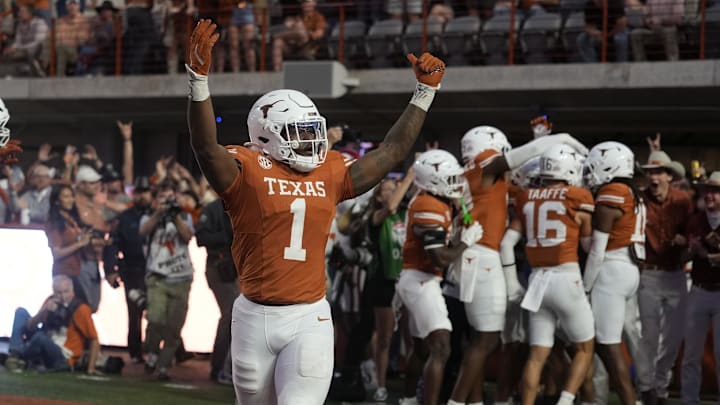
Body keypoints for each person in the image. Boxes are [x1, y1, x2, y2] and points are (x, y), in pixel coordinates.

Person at [185, 17, 445, 404]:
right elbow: (207, 148)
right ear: (266, 136)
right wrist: (198, 81)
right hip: (253, 315)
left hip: (308, 316)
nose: (310, 141)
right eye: (298, 132)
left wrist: (423, 92)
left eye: (312, 130)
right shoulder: (248, 170)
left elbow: (391, 152)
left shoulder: (331, 171)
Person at [501, 144, 595, 405]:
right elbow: (589, 246)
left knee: (536, 355)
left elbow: (506, 244)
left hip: (537, 281)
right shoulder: (579, 196)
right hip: (566, 276)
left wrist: (512, 284)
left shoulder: (526, 197)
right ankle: (565, 402)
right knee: (584, 349)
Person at [582, 141, 646, 405]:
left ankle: (626, 400)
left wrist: (584, 286)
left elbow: (597, 250)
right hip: (628, 270)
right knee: (618, 341)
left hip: (611, 269)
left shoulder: (613, 191)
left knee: (607, 346)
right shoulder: (632, 192)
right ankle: (644, 392)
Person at [636, 150, 692, 404]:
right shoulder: (639, 200)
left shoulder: (683, 201)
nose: (653, 177)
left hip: (675, 274)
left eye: (658, 172)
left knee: (673, 337)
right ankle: (649, 389)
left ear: (669, 176)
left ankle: (659, 384)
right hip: (648, 273)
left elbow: (694, 231)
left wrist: (686, 241)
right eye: (650, 172)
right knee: (648, 335)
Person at [139, 180, 195, 380]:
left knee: (174, 326)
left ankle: (163, 366)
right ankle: (152, 353)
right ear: (156, 200)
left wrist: (175, 216)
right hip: (157, 277)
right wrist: (159, 213)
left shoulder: (185, 217)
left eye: (170, 198)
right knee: (155, 319)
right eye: (163, 198)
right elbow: (143, 231)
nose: (166, 202)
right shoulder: (148, 216)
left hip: (182, 278)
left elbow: (188, 236)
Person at [6, 275, 101, 374]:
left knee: (40, 338)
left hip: (63, 353)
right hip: (45, 342)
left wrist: (91, 368)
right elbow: (30, 326)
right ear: (54, 292)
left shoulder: (80, 309)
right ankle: (15, 353)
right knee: (21, 313)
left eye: (66, 291)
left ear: (73, 291)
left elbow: (94, 339)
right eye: (59, 293)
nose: (63, 297)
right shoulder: (50, 301)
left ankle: (20, 357)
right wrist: (44, 311)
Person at [104, 176, 153, 363]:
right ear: (134, 194)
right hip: (132, 270)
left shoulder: (158, 214)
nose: (143, 196)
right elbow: (112, 244)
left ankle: (166, 350)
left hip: (156, 270)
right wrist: (110, 270)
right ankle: (135, 352)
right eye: (139, 192)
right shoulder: (125, 217)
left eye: (146, 192)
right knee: (135, 313)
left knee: (158, 312)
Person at [682, 171, 720, 405]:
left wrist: (703, 252)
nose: (709, 195)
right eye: (707, 190)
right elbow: (684, 254)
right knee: (691, 355)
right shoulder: (696, 219)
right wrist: (692, 249)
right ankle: (689, 401)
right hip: (698, 288)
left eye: (715, 191)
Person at [195, 196, 238, 383]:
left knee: (239, 315)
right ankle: (219, 367)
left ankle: (228, 367)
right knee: (231, 314)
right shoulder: (213, 209)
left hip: (240, 268)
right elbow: (201, 238)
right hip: (219, 265)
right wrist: (228, 235)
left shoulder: (243, 204)